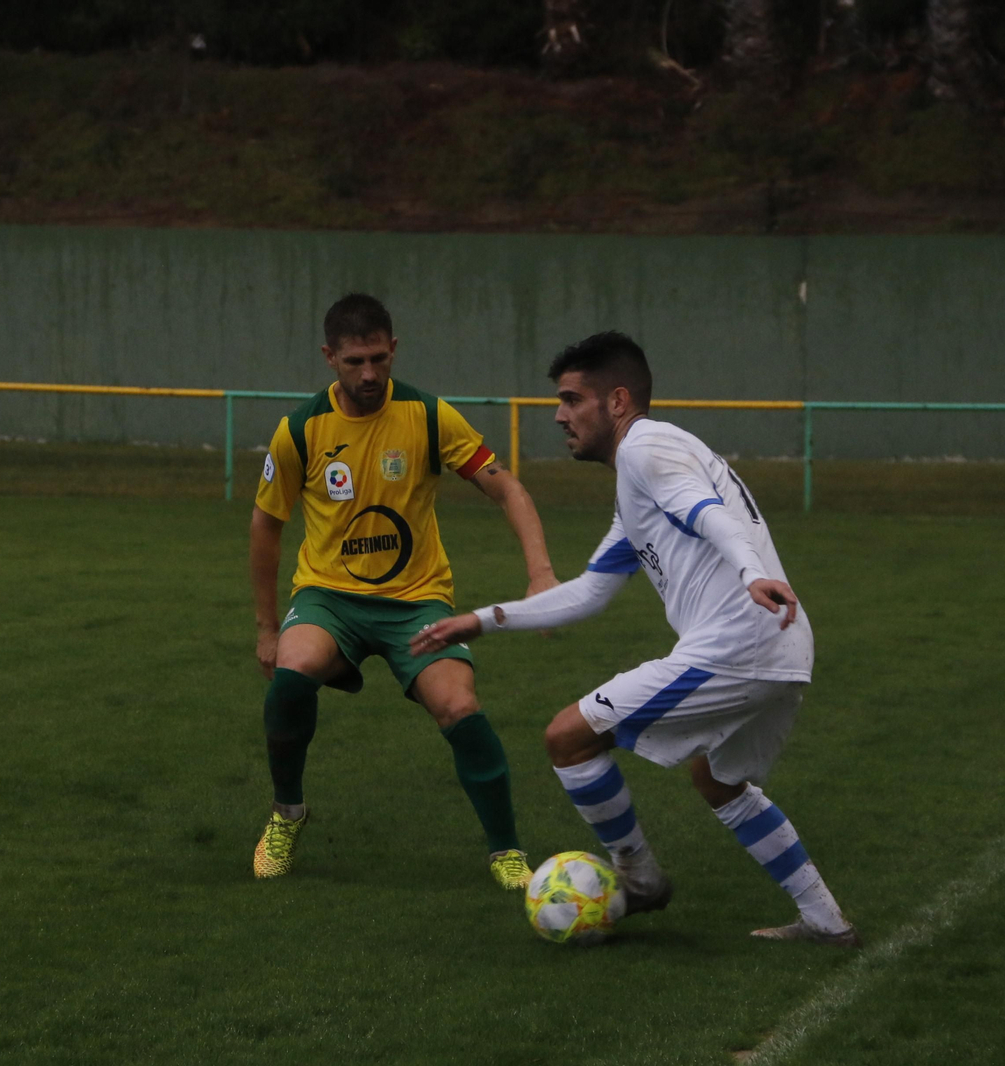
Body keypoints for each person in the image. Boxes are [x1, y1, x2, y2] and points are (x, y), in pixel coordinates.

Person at [411, 330, 859, 945]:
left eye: (572, 400)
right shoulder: (639, 479)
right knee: (718, 781)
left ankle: (641, 880)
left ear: (617, 401)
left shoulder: (647, 450)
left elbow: (707, 512)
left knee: (567, 738)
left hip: (739, 642)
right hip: (781, 644)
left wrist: (754, 573)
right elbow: (592, 591)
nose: (560, 416)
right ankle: (827, 923)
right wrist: (483, 620)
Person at [250, 293, 558, 889]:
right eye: (354, 362)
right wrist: (266, 628)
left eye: (378, 360)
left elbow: (508, 489)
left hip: (415, 602)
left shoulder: (429, 416)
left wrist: (540, 572)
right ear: (329, 358)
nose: (368, 374)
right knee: (292, 672)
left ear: (394, 350)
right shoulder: (300, 430)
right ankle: (287, 814)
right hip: (328, 599)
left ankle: (506, 852)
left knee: (459, 706)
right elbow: (266, 524)